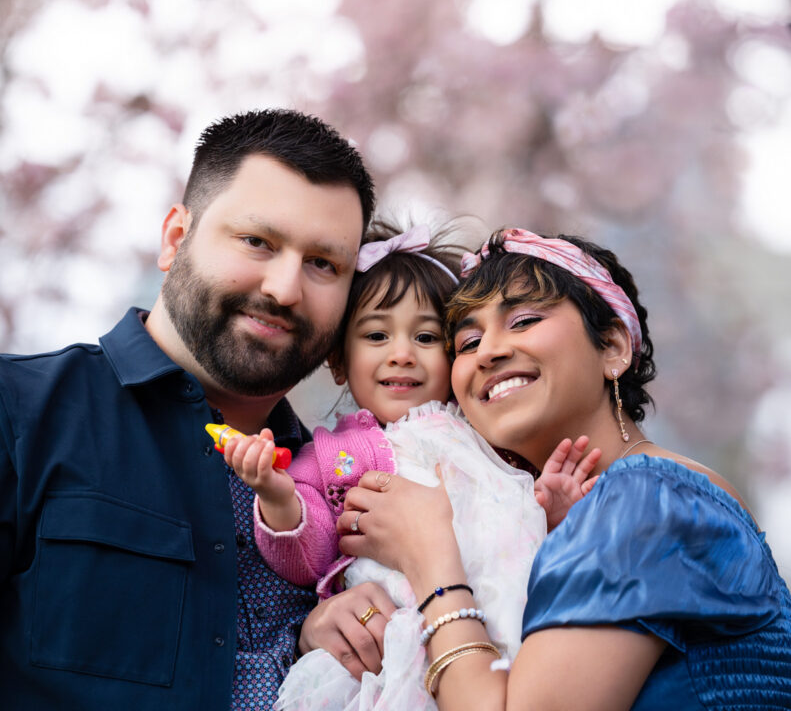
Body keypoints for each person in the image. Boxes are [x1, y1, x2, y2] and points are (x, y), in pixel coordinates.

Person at [0, 108, 377, 711]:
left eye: (322, 264)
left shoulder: (348, 491)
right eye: (257, 241)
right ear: (176, 238)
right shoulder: (19, 413)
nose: (285, 288)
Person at [334, 228, 791, 710]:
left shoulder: (644, 501)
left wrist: (431, 558)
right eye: (467, 342)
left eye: (525, 320)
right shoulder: (573, 513)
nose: (488, 352)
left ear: (613, 346)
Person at [222, 221, 597, 711]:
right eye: (377, 335)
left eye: (425, 336)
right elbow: (309, 555)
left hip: (503, 619)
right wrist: (277, 498)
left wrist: (550, 509)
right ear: (339, 362)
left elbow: (509, 521)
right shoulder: (338, 456)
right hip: (402, 636)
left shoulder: (485, 433)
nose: (401, 355)